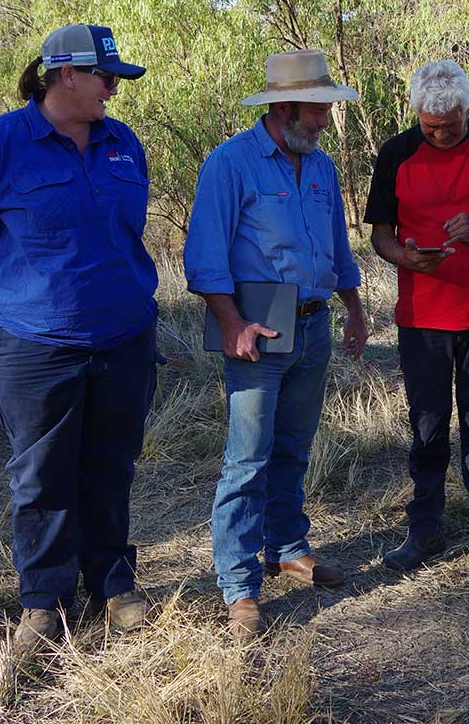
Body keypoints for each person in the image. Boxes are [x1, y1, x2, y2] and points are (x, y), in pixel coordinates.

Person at [0, 24, 159, 652]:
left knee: (111, 465)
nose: (114, 90)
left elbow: (127, 232)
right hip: (30, 343)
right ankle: (45, 602)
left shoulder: (122, 145)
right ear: (65, 76)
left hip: (122, 335)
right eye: (106, 78)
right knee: (42, 476)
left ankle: (113, 585)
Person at [183, 49, 367, 642]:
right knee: (247, 459)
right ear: (284, 107)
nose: (324, 122)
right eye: (317, 111)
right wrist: (233, 323)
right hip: (258, 334)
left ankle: (286, 547)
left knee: (293, 447)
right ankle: (239, 584)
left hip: (312, 328)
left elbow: (338, 249)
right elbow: (203, 258)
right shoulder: (230, 164)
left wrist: (356, 310)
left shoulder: (321, 168)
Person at [364, 60, 469, 572]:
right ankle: (424, 529)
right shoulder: (396, 152)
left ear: (468, 110)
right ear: (416, 114)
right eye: (429, 126)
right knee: (427, 423)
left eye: (451, 126)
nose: (440, 135)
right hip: (421, 317)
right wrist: (406, 256)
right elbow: (380, 233)